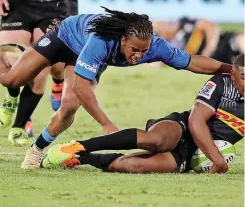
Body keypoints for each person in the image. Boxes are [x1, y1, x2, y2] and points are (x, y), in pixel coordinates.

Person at [0, 7, 232, 169]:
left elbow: (192, 62)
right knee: (11, 80)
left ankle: (37, 149)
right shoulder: (102, 40)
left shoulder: (155, 47)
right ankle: (12, 92)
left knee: (69, 106)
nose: (138, 56)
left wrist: (231, 69)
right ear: (122, 40)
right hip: (65, 37)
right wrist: (105, 123)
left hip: (84, 58)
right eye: (134, 50)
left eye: (144, 51)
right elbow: (82, 86)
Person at [43, 54, 244, 174]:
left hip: (194, 154)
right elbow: (196, 121)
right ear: (232, 74)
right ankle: (77, 147)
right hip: (182, 127)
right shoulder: (221, 83)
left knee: (133, 165)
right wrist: (217, 159)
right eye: (243, 76)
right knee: (158, 140)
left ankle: (82, 159)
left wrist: (213, 158)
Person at [0, 0, 94, 141]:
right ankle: (15, 103)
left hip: (57, 7)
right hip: (18, 3)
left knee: (51, 67)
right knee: (11, 61)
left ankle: (58, 81)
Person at [151, 17, 244, 67]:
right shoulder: (169, 48)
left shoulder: (184, 23)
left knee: (241, 40)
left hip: (227, 44)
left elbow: (211, 26)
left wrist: (209, 50)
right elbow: (158, 64)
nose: (166, 24)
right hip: (223, 62)